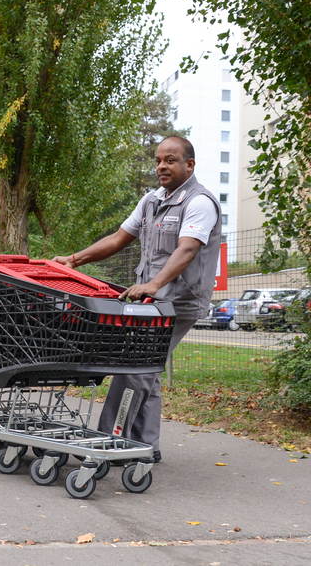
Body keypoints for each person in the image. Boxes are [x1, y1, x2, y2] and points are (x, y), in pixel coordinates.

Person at [53, 136, 221, 461]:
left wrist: (155, 283)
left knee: (135, 366)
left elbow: (187, 248)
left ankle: (108, 440)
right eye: (158, 160)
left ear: (190, 164)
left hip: (178, 302)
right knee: (148, 370)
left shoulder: (200, 202)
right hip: (151, 302)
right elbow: (118, 239)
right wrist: (74, 259)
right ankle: (146, 447)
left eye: (170, 160)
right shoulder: (151, 201)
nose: (161, 166)